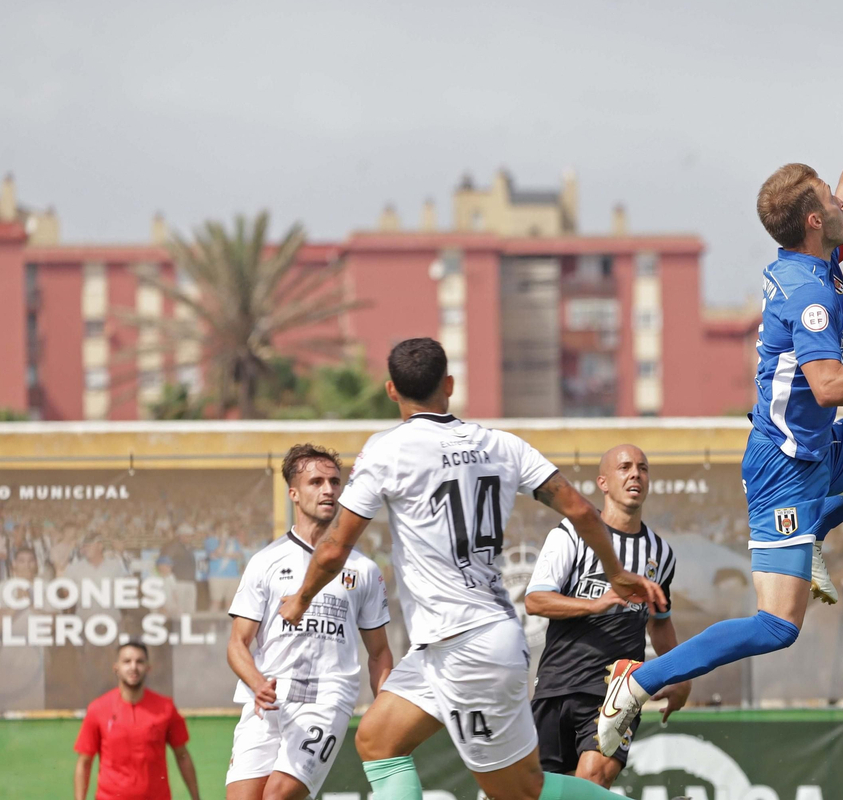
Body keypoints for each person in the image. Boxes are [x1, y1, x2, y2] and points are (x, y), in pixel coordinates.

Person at [597, 96, 843, 757]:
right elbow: (827, 385)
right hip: (786, 465)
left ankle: (813, 534)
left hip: (820, 446)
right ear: (816, 223)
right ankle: (638, 684)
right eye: (830, 206)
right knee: (778, 625)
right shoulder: (811, 291)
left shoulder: (815, 253)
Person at [278, 337, 665, 800]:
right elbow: (582, 510)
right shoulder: (502, 445)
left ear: (391, 391)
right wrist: (617, 572)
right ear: (449, 384)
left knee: (520, 791)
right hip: (445, 645)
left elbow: (332, 549)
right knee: (377, 740)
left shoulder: (388, 450)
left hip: (469, 645)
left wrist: (301, 598)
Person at [225, 443, 395, 800]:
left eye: (334, 481)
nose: (329, 490)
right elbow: (237, 644)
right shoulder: (265, 562)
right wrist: (257, 684)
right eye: (316, 482)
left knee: (277, 796)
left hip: (327, 697)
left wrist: (385, 713)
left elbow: (379, 652)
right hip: (267, 698)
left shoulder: (363, 569)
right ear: (293, 493)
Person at [526, 444, 686, 788]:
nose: (635, 475)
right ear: (603, 482)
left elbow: (660, 620)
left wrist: (681, 675)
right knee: (538, 790)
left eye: (642, 468)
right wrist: (595, 604)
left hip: (616, 691)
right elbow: (536, 600)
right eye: (624, 467)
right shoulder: (570, 533)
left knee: (593, 779)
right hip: (557, 684)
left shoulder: (660, 553)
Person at [74, 640, 201, 800]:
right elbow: (84, 762)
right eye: (127, 661)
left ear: (148, 668)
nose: (133, 667)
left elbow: (182, 755)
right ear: (116, 668)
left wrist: (196, 798)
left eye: (139, 661)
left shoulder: (166, 708)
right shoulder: (98, 709)